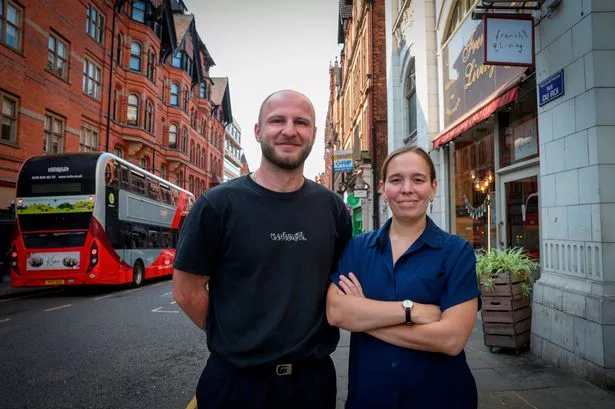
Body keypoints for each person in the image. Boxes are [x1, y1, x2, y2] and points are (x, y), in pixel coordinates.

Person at [173, 89, 352, 409]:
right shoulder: (216, 205)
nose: (289, 130)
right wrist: (238, 336)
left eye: (301, 122)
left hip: (312, 384)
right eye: (277, 121)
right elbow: (187, 290)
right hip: (235, 383)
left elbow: (339, 284)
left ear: (313, 133)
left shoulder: (333, 208)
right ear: (258, 131)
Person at [327, 146, 479, 409]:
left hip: (440, 398)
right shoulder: (357, 248)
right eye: (396, 180)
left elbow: (451, 339)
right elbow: (336, 313)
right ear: (383, 188)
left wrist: (364, 318)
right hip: (370, 398)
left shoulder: (457, 252)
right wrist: (411, 311)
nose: (407, 188)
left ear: (433, 187)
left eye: (418, 179)